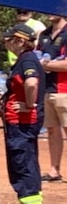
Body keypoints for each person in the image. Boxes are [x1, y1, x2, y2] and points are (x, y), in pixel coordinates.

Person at [1, 23, 45, 204]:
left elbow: (31, 83)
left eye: (9, 39)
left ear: (20, 41)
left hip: (22, 121)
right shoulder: (25, 59)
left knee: (23, 162)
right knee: (23, 161)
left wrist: (28, 104)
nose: (6, 43)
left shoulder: (27, 60)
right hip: (19, 122)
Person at [39, 13, 67, 182]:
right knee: (52, 130)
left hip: (65, 90)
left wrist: (45, 65)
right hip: (47, 90)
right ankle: (54, 170)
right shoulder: (44, 35)